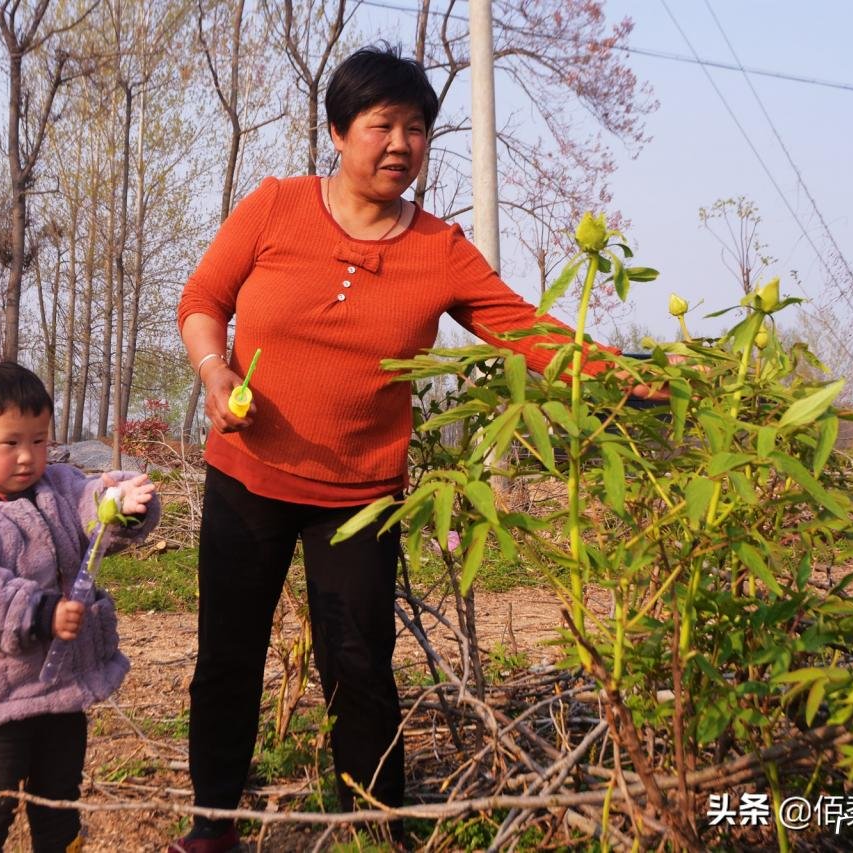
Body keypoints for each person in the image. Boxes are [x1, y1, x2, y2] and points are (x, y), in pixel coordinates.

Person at [174, 45, 656, 852]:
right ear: (337, 131)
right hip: (247, 477)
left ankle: (375, 828)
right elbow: (202, 298)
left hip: (360, 495)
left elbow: (525, 328)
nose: (402, 143)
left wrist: (626, 375)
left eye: (418, 128)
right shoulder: (275, 206)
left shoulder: (440, 249)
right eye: (381, 125)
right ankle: (213, 822)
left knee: (360, 667)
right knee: (229, 657)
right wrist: (216, 369)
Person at [0, 361, 160, 852]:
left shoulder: (57, 487)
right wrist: (41, 613)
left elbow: (90, 502)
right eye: (10, 443)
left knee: (58, 800)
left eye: (39, 440)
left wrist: (120, 499)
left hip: (61, 690)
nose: (29, 457)